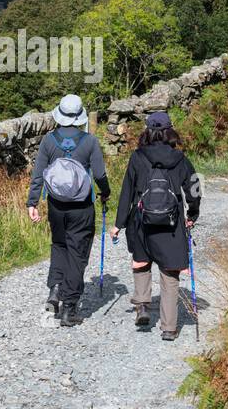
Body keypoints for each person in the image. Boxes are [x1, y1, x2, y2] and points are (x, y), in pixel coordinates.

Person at [110, 111, 200, 341]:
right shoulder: (180, 159)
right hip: (171, 223)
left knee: (141, 260)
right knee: (170, 271)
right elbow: (194, 189)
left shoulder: (137, 157)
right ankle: (169, 327)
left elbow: (127, 192)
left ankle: (141, 305)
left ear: (147, 131)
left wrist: (119, 224)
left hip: (141, 221)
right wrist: (192, 214)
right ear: (170, 130)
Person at [27, 94, 111, 327]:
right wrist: (106, 192)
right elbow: (100, 175)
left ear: (60, 115)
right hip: (82, 207)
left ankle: (55, 291)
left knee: (60, 245)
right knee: (77, 253)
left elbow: (38, 175)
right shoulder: (90, 142)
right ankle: (69, 308)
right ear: (80, 116)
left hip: (56, 204)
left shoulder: (48, 141)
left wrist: (32, 203)